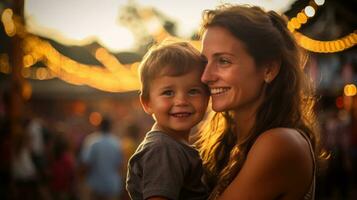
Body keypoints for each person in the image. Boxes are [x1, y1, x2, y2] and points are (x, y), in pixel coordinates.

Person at [196, 4, 325, 200]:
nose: (205, 77)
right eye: (205, 62)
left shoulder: (279, 142)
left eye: (223, 61)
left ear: (269, 70)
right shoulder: (233, 143)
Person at [126, 40, 209, 200]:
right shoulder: (164, 150)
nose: (181, 101)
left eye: (193, 91)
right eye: (168, 92)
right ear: (147, 103)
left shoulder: (174, 146)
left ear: (207, 98)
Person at [81, 117, 123, 200]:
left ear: (99, 126)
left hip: (95, 185)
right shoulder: (116, 142)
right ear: (110, 127)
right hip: (112, 186)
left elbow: (86, 164)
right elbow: (120, 166)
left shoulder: (92, 141)